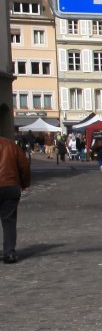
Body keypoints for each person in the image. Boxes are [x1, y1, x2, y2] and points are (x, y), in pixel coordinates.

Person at [1, 112, 31, 264]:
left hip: (9, 185)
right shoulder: (10, 145)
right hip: (10, 186)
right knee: (9, 221)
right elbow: (24, 166)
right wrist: (24, 183)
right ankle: (9, 253)